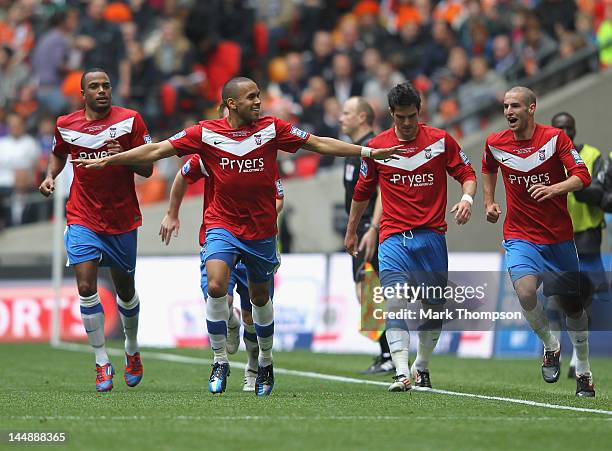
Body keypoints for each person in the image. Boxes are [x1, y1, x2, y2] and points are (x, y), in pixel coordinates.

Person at [72, 76, 401, 396]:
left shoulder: (273, 128)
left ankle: (266, 362)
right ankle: (219, 360)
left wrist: (366, 153)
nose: (258, 102)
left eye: (259, 96)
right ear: (231, 103)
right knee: (216, 286)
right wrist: (112, 160)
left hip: (260, 230)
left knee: (259, 300)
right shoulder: (205, 133)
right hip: (221, 225)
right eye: (252, 97)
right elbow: (157, 151)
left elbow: (317, 143)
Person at [345, 82, 477, 392]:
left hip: (431, 237)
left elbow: (467, 175)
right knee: (395, 302)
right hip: (393, 238)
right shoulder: (378, 148)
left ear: (420, 112)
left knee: (433, 308)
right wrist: (352, 230)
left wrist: (467, 199)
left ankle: (422, 365)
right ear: (391, 113)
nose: (407, 123)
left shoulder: (440, 142)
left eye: (412, 116)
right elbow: (362, 193)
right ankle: (402, 372)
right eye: (401, 117)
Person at [39, 68, 153, 392]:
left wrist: (126, 158)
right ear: (83, 94)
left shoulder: (131, 120)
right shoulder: (66, 124)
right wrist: (50, 176)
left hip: (121, 218)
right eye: (95, 86)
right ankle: (102, 360)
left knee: (125, 290)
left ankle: (131, 348)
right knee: (86, 284)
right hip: (82, 215)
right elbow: (59, 153)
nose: (102, 90)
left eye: (106, 85)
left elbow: (148, 168)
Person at [482, 87, 595, 397]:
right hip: (520, 234)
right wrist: (489, 202)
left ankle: (583, 369)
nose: (508, 112)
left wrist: (555, 189)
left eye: (515, 106)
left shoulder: (555, 138)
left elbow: (582, 175)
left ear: (532, 108)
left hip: (558, 237)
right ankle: (551, 345)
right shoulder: (495, 142)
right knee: (525, 291)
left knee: (573, 307)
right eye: (505, 106)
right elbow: (488, 168)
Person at [159, 153, 284, 392]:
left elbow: (279, 198)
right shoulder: (210, 151)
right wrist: (172, 212)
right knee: (217, 296)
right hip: (221, 237)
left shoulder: (262, 154)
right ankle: (225, 339)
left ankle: (254, 367)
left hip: (255, 238)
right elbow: (182, 174)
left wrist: (256, 214)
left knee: (252, 314)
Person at [550, 112, 608, 378]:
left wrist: (572, 183)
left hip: (586, 237)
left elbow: (599, 193)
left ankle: (577, 357)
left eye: (569, 128)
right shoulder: (545, 157)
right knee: (554, 299)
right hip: (555, 238)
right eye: (559, 128)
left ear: (575, 129)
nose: (565, 132)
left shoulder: (594, 155)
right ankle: (553, 350)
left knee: (587, 298)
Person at [339, 96, 394, 375]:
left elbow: (383, 189)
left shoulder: (374, 146)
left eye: (346, 113)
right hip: (361, 230)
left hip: (374, 229)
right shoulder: (355, 150)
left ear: (362, 117)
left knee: (374, 291)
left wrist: (373, 227)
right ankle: (387, 352)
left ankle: (390, 354)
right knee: (367, 292)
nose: (340, 118)